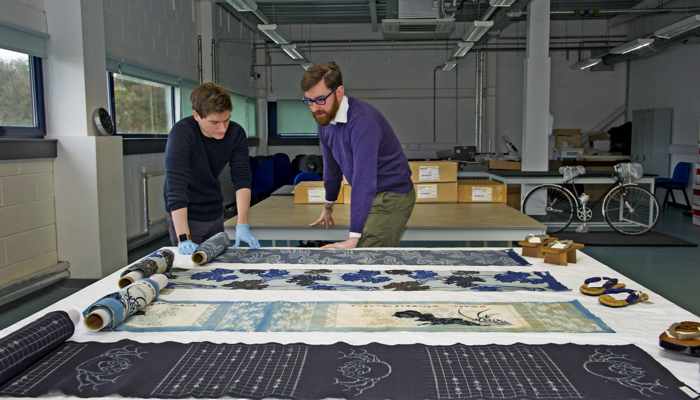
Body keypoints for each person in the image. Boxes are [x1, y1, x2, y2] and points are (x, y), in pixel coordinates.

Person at [300, 62, 416, 249]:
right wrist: (328, 206)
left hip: (392, 195)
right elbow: (332, 169)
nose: (314, 109)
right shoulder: (325, 121)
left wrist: (353, 238)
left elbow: (364, 179)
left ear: (338, 93)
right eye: (309, 101)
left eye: (320, 99)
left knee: (368, 257)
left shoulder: (363, 122)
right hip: (370, 191)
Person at [164, 82, 260, 254]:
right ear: (196, 115)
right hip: (186, 212)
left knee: (217, 261)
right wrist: (184, 238)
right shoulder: (182, 134)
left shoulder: (236, 133)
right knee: (190, 269)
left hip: (214, 209)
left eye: (226, 120)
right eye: (214, 122)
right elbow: (175, 187)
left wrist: (242, 223)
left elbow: (242, 178)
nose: (222, 128)